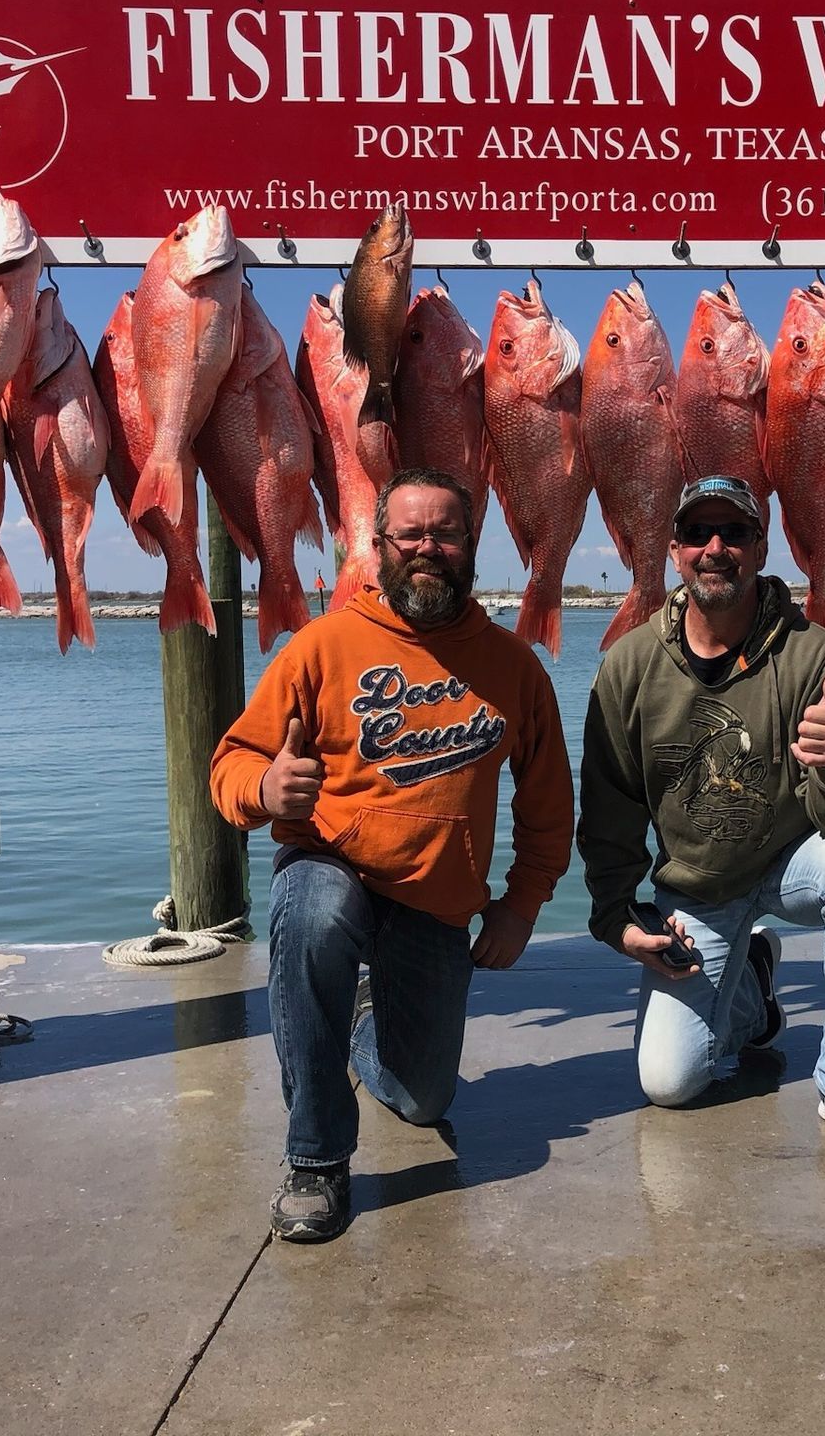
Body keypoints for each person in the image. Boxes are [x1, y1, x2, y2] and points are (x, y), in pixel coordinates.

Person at [211, 468, 573, 1241]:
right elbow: (229, 765)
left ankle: (354, 1024)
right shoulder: (322, 645)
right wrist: (267, 789)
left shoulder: (513, 666)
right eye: (409, 534)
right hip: (331, 868)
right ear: (377, 548)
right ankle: (315, 1156)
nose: (426, 549)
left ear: (471, 547)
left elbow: (547, 805)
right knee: (313, 915)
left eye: (444, 533)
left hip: (435, 903)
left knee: (422, 1102)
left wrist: (521, 905)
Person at [578, 474, 825, 1155]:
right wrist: (617, 916)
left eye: (735, 533)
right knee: (670, 1083)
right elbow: (608, 810)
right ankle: (752, 983)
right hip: (697, 887)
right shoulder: (628, 666)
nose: (715, 547)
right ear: (673, 551)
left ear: (761, 549)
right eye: (698, 533)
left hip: (794, 863)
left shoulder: (818, 654)